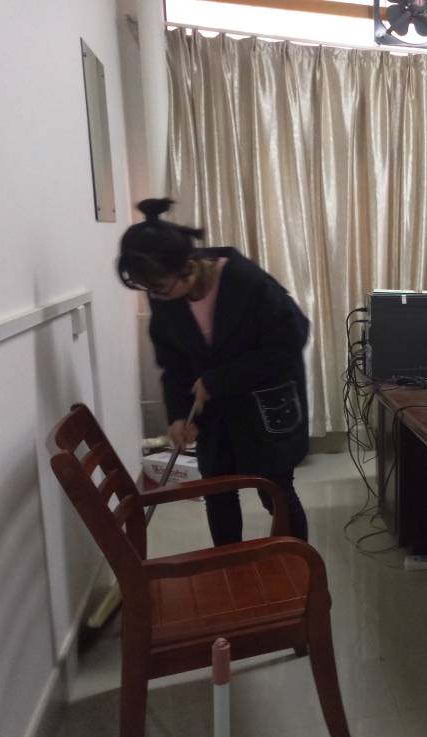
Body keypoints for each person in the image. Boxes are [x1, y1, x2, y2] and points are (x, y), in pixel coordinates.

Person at [117, 198, 311, 545]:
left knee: (276, 492)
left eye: (162, 287)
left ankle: (298, 565)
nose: (158, 297)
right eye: (151, 290)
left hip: (265, 406)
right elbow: (172, 362)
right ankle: (227, 566)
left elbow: (290, 341)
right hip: (214, 414)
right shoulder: (164, 295)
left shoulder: (246, 282)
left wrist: (218, 380)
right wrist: (178, 415)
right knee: (217, 493)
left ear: (189, 267)